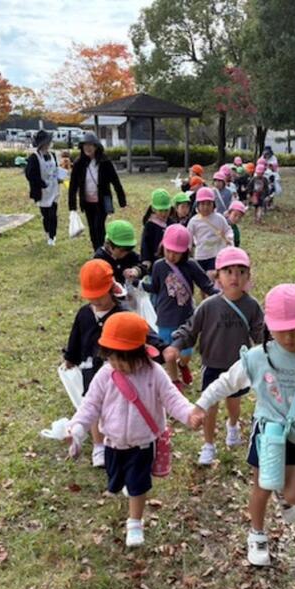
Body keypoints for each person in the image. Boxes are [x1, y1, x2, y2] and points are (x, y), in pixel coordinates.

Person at [189, 284, 295, 567]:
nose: (289, 337)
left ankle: (282, 497)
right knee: (262, 486)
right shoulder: (258, 357)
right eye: (281, 329)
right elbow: (226, 382)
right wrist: (201, 404)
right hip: (268, 435)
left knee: (294, 495)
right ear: (268, 326)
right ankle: (257, 534)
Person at [66, 312, 197, 548]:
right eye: (112, 357)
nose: (117, 364)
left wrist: (189, 414)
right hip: (113, 442)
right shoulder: (105, 374)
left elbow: (172, 399)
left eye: (123, 359)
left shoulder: (154, 373)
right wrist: (77, 427)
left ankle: (135, 522)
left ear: (139, 352)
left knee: (138, 485)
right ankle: (127, 485)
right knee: (116, 482)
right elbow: (90, 405)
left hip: (143, 443)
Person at [63, 260, 165, 466]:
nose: (96, 300)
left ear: (111, 288)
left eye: (100, 295)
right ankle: (98, 446)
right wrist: (70, 357)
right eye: (91, 296)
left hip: (120, 370)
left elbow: (143, 332)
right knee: (93, 401)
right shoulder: (84, 314)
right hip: (91, 367)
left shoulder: (123, 314)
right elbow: (76, 336)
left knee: (114, 404)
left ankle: (118, 437)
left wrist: (162, 348)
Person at [167, 246, 263, 466]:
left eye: (241, 272)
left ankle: (232, 425)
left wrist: (274, 340)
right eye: (228, 272)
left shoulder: (251, 306)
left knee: (234, 402)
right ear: (218, 276)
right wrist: (176, 345)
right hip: (212, 364)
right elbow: (190, 330)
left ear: (248, 276)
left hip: (239, 366)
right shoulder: (208, 306)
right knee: (210, 405)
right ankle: (208, 444)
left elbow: (260, 332)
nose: (234, 277)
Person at [144, 224, 217, 389]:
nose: (171, 255)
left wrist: (221, 294)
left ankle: (183, 365)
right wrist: (139, 284)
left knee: (186, 353)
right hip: (165, 317)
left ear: (185, 251)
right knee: (168, 353)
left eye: (176, 253)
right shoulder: (158, 266)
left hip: (186, 318)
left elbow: (206, 285)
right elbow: (155, 287)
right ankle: (174, 381)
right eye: (168, 250)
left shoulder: (191, 265)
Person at [68, 131, 127, 251]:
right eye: (85, 145)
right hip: (87, 202)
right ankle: (97, 251)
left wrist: (122, 200)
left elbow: (115, 181)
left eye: (90, 145)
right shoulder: (79, 163)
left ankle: (102, 250)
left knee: (98, 226)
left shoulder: (105, 162)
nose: (88, 148)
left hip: (102, 201)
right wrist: (72, 206)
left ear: (96, 146)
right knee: (92, 228)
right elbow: (73, 186)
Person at [187, 187, 234, 278]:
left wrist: (229, 238)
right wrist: (188, 249)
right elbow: (188, 236)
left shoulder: (219, 218)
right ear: (197, 205)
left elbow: (227, 230)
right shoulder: (194, 221)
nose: (206, 207)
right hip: (201, 255)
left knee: (211, 276)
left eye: (209, 204)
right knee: (201, 278)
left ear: (214, 204)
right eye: (202, 204)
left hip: (216, 254)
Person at [25, 130, 60, 246]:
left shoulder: (52, 155)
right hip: (42, 192)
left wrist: (60, 177)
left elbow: (56, 169)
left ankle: (52, 236)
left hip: (54, 189)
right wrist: (41, 183)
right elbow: (30, 174)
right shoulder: (34, 157)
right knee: (46, 215)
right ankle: (48, 232)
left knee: (53, 214)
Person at [93, 220, 143, 285]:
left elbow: (143, 264)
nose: (125, 253)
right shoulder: (100, 260)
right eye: (122, 250)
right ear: (109, 244)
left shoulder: (128, 254)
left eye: (129, 248)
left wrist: (136, 270)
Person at [140, 189, 172, 272]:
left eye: (166, 210)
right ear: (153, 209)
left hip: (171, 260)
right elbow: (145, 243)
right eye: (160, 211)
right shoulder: (150, 225)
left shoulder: (172, 223)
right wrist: (146, 259)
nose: (164, 214)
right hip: (154, 262)